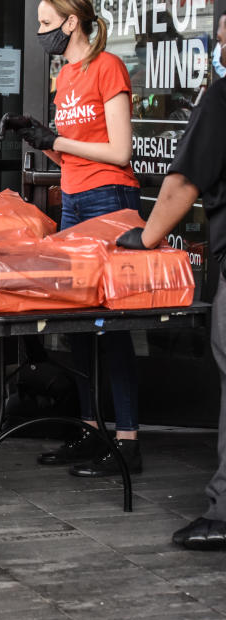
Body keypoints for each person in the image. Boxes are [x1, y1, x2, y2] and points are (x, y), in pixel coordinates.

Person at [6, 0, 141, 478]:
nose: (41, 32)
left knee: (113, 319)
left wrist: (54, 140)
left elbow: (119, 150)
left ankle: (126, 439)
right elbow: (74, 158)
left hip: (110, 199)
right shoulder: (64, 76)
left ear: (71, 21)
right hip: (77, 197)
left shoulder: (108, 68)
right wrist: (39, 140)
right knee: (80, 318)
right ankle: (89, 429)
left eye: (45, 24)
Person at [115, 11, 226, 551]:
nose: (217, 52)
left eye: (222, 41)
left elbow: (183, 181)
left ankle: (225, 512)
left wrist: (148, 237)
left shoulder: (222, 98)